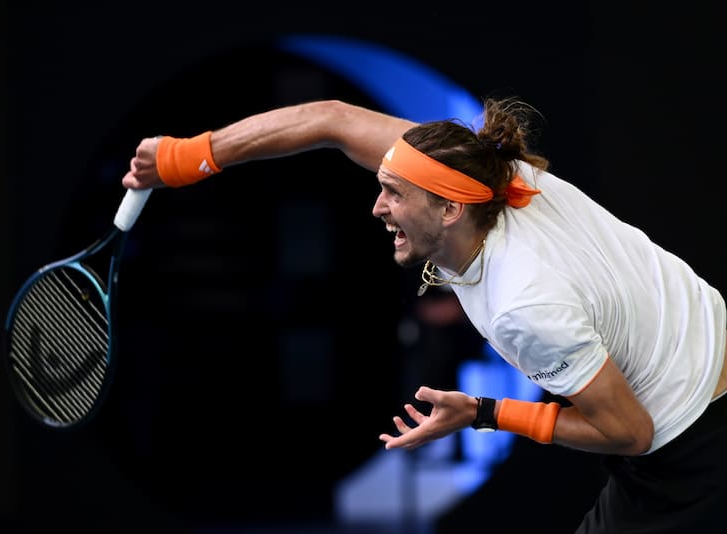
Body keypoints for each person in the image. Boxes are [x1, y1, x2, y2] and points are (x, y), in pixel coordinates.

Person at [122, 97, 727, 533]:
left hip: (692, 452)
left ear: (449, 211)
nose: (377, 207)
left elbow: (629, 432)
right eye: (382, 184)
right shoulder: (495, 175)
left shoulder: (523, 305)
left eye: (394, 193)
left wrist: (484, 412)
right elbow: (330, 119)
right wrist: (186, 156)